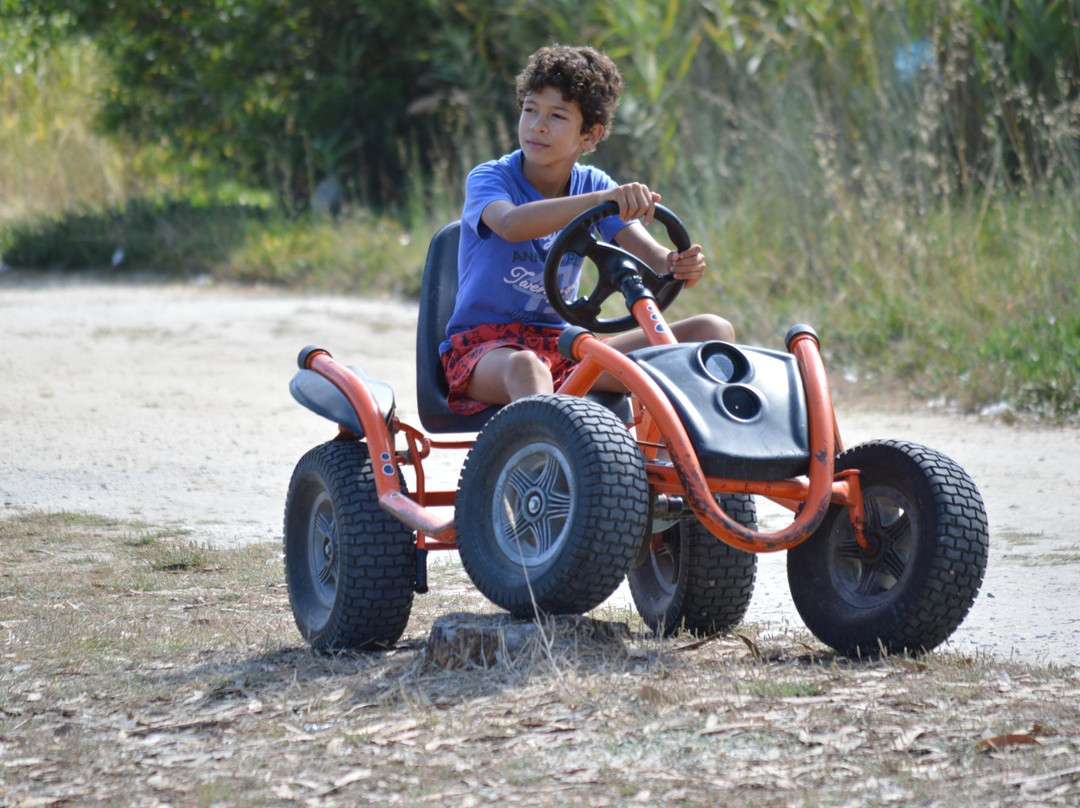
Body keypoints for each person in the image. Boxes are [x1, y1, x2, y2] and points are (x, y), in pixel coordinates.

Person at [440, 44, 734, 415]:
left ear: (590, 136)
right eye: (530, 110)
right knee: (528, 366)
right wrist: (600, 200)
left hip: (567, 348)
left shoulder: (593, 184)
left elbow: (653, 258)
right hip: (486, 352)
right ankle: (546, 463)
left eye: (557, 116)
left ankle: (691, 460)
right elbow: (511, 224)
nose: (538, 125)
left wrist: (679, 264)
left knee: (713, 331)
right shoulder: (490, 178)